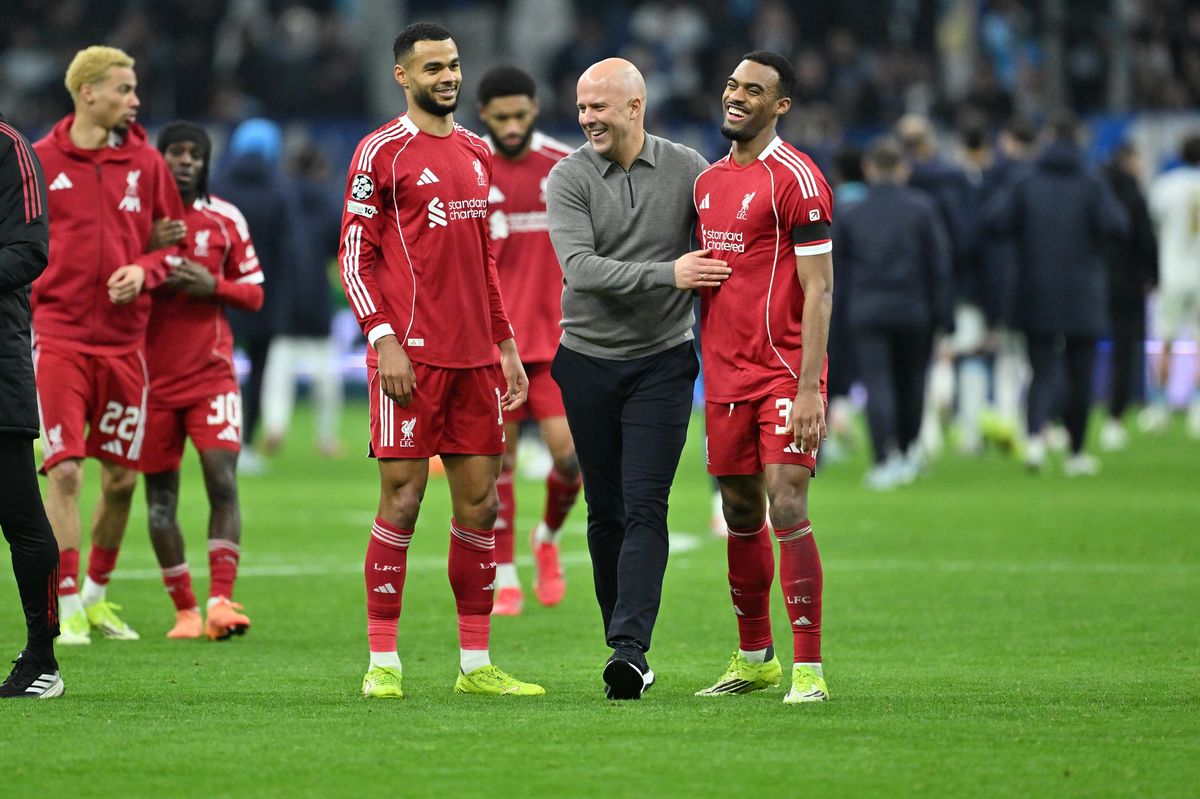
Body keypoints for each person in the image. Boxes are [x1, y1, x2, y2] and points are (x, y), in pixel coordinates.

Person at [338, 22, 542, 700]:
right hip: (409, 360)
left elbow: (485, 261)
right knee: (402, 498)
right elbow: (353, 255)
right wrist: (382, 338)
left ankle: (475, 662)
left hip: (476, 360)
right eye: (433, 68)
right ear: (404, 76)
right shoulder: (380, 152)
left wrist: (506, 345)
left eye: (453, 66)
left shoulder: (477, 151)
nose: (448, 77)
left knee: (479, 507)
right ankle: (383, 661)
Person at [546, 57, 728, 700]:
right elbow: (581, 269)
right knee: (606, 511)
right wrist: (668, 273)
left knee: (647, 502)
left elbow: (724, 249)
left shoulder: (688, 169)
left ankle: (629, 649)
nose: (587, 118)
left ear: (634, 107)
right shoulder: (566, 178)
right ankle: (618, 636)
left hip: (663, 361)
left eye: (599, 106)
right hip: (587, 360)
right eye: (581, 106)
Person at [689, 52, 835, 703]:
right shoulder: (707, 182)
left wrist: (809, 387)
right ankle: (755, 657)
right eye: (732, 85)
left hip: (783, 374)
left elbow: (820, 289)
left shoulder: (798, 179)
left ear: (781, 105)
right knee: (740, 509)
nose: (737, 97)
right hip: (722, 376)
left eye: (754, 90)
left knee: (788, 500)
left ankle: (808, 667)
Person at [32, 46, 187, 645]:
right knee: (66, 472)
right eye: (125, 89)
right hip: (60, 340)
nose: (135, 100)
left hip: (127, 346)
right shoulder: (41, 161)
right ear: (88, 92)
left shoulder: (147, 164)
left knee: (122, 480)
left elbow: (172, 245)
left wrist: (144, 271)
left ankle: (95, 594)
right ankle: (64, 600)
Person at [141, 122, 264, 641]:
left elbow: (256, 294)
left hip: (211, 375)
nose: (185, 161)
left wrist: (214, 284)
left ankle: (220, 601)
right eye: (175, 152)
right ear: (159, 159)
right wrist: (146, 253)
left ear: (206, 163)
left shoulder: (226, 217)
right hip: (148, 380)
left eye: (195, 154)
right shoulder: (138, 220)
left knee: (222, 480)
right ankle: (185, 610)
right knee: (161, 500)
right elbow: (105, 282)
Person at [476, 65, 580, 615]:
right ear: (484, 116)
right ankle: (505, 571)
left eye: (520, 114)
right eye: (501, 117)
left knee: (569, 462)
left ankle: (546, 539)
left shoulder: (564, 165)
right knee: (500, 467)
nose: (512, 125)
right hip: (494, 346)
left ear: (535, 109)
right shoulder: (470, 167)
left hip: (557, 344)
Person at [987, 111, 1129, 475]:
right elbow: (1118, 226)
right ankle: (1076, 452)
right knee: (1081, 376)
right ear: (1078, 140)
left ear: (1048, 139)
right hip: (1083, 292)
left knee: (1041, 371)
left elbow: (995, 221)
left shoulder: (1026, 180)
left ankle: (1034, 442)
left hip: (1035, 292)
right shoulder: (1091, 182)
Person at [839, 137, 953, 489]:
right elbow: (940, 267)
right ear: (903, 169)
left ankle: (883, 459)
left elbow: (837, 272)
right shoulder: (922, 209)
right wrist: (944, 317)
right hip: (913, 309)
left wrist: (835, 319)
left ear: (869, 169)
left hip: (867, 310)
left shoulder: (851, 212)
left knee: (878, 384)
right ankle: (905, 452)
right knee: (912, 383)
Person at [0, 112, 63, 698]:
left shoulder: (10, 148)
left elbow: (27, 251)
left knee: (18, 514)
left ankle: (42, 660)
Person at [211, 118, 293, 474]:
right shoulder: (279, 190)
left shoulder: (216, 184)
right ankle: (244, 446)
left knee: (215, 368)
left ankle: (213, 439)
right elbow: (289, 250)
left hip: (219, 295)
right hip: (264, 295)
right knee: (258, 372)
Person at [260, 142, 345, 461]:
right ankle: (326, 438)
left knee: (278, 372)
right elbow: (339, 244)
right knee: (326, 377)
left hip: (282, 296)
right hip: (317, 296)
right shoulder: (327, 200)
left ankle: (275, 426)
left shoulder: (279, 198)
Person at [1100, 142, 1157, 450]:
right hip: (1128, 284)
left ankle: (1057, 419)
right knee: (1123, 352)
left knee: (1074, 351)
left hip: (1093, 283)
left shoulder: (1096, 189)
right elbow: (1147, 240)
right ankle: (1115, 418)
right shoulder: (1134, 195)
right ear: (1129, 161)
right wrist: (1153, 277)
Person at [1142, 133, 1200, 437]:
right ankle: (1197, 409)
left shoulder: (1166, 185)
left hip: (1173, 272)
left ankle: (1160, 406)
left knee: (1164, 340)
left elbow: (1152, 226)